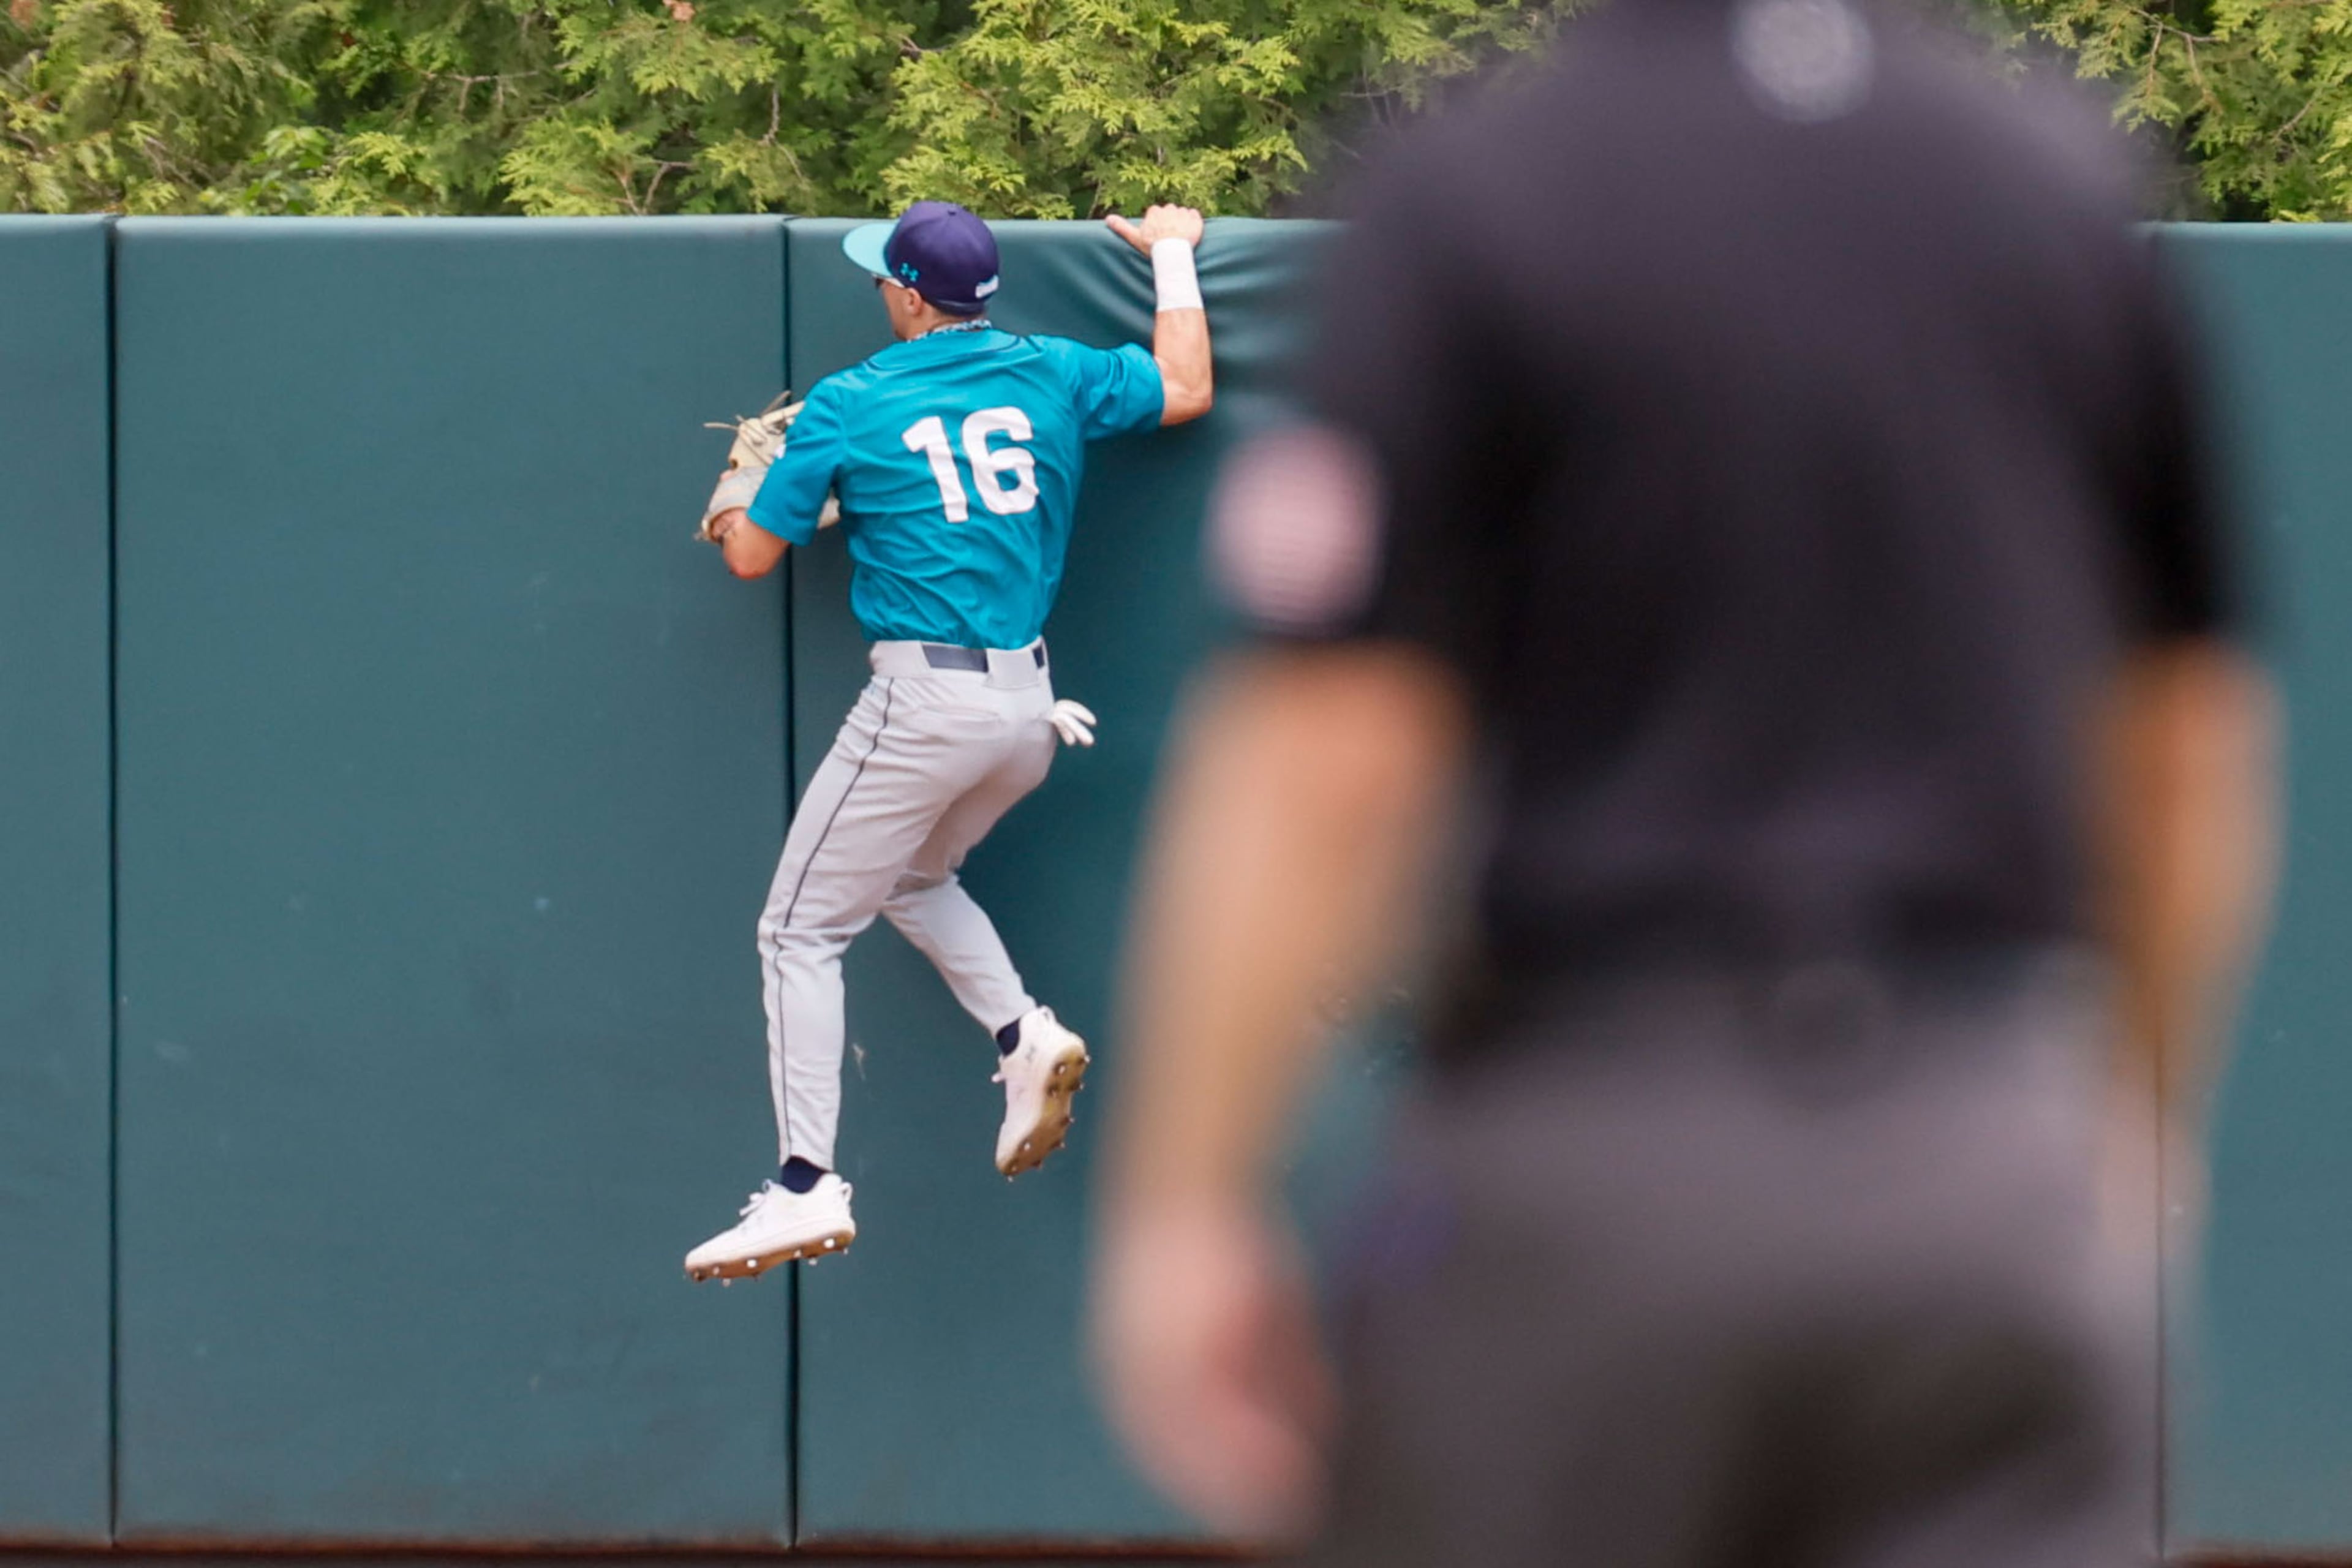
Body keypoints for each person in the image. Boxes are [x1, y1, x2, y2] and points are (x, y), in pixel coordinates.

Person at [1089, 2, 2280, 1562]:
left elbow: (1335, 743)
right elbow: (2184, 736)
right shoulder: (2057, 182)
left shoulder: (1476, 186)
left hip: (1594, 1165)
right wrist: (2128, 1137)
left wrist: (1187, 1206)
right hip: (1981, 1159)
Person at [686, 198, 1215, 1282]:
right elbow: (1189, 389)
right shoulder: (1056, 370)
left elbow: (748, 557)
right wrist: (1171, 257)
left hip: (924, 704)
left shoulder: (849, 402)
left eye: (888, 276)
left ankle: (803, 1186)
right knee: (914, 882)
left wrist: (745, 486)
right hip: (1027, 707)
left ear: (915, 295)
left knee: (795, 933)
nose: (881, 287)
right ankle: (1024, 1036)